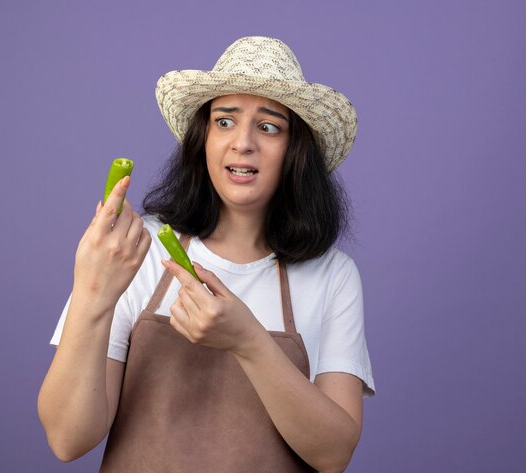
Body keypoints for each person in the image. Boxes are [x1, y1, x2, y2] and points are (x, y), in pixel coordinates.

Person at [38, 36, 375, 473]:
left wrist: (248, 341)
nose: (243, 143)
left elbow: (334, 455)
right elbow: (68, 439)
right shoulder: (138, 250)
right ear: (203, 139)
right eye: (224, 122)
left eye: (269, 126)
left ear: (296, 151)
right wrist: (91, 290)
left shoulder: (333, 276)